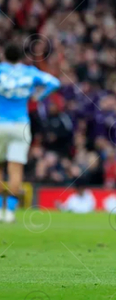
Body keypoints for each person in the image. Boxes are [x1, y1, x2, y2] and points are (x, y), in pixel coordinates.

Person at [0, 42, 60, 223]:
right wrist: (37, 96)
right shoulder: (29, 72)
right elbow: (54, 82)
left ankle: (0, 209)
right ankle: (9, 212)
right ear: (21, 57)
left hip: (1, 123)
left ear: (4, 55)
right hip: (21, 125)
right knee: (16, 167)